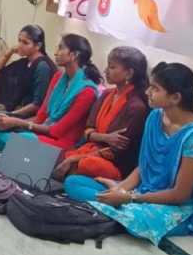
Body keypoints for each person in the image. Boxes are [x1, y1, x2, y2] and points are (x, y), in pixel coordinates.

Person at [64, 62, 193, 245]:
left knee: (137, 221)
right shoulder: (155, 117)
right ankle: (114, 208)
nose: (147, 92)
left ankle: (114, 209)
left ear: (175, 97)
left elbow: (181, 194)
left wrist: (130, 198)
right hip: (142, 191)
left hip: (173, 205)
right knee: (73, 182)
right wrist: (121, 189)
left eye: (155, 89)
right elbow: (143, 166)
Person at [0, 34, 101, 151]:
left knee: (24, 138)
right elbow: (41, 117)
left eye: (61, 48)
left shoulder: (87, 92)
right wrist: (10, 121)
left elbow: (56, 131)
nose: (55, 52)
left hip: (61, 142)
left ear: (74, 55)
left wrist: (17, 122)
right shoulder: (58, 78)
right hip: (41, 132)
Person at [53, 46, 150, 181]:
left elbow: (117, 151)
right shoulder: (106, 94)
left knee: (84, 164)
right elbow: (88, 130)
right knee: (56, 155)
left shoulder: (136, 107)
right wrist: (104, 137)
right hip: (90, 149)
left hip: (114, 163)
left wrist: (76, 157)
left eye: (112, 67)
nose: (105, 71)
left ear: (129, 73)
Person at [0, 24, 56, 125]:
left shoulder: (42, 67)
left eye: (25, 42)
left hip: (26, 117)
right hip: (10, 109)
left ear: (38, 45)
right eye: (19, 40)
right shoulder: (25, 62)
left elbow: (37, 105)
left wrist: (10, 115)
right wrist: (9, 52)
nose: (20, 45)